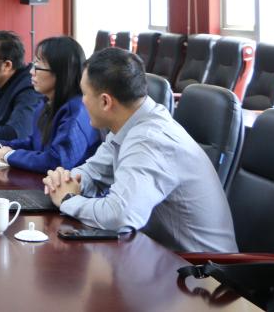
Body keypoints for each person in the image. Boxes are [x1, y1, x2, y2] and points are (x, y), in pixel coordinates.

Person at [43, 47, 237, 253]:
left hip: (199, 267)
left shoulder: (150, 140)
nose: (82, 101)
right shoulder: (129, 122)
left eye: (84, 94)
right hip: (157, 253)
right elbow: (94, 171)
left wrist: (68, 200)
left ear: (105, 101)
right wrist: (65, 182)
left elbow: (120, 216)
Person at [0, 36, 100, 173]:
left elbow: (58, 161)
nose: (31, 72)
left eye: (38, 66)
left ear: (61, 72)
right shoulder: (45, 104)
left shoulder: (75, 110)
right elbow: (33, 143)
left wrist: (9, 155)